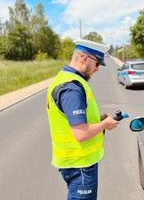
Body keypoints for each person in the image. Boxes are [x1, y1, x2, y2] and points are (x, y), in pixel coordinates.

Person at [46, 39, 119, 200]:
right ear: (85, 58)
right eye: (97, 64)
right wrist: (105, 124)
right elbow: (80, 133)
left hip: (77, 163)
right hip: (80, 165)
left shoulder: (65, 79)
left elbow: (71, 119)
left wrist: (99, 119)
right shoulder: (72, 87)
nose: (97, 69)